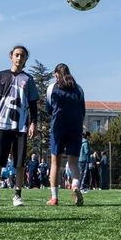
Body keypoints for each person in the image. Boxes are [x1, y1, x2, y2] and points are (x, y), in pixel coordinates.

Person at [0, 45, 39, 207]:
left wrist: (33, 123)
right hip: (2, 123)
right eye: (16, 55)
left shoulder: (28, 79)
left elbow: (32, 104)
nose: (19, 58)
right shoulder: (1, 75)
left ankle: (17, 195)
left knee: (20, 162)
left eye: (22, 56)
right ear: (11, 57)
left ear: (25, 59)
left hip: (20, 126)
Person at [44, 63, 86, 206]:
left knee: (55, 162)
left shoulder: (52, 88)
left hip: (58, 127)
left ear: (56, 74)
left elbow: (49, 109)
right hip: (76, 127)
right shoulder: (79, 88)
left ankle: (54, 198)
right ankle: (75, 186)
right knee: (73, 163)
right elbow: (83, 111)